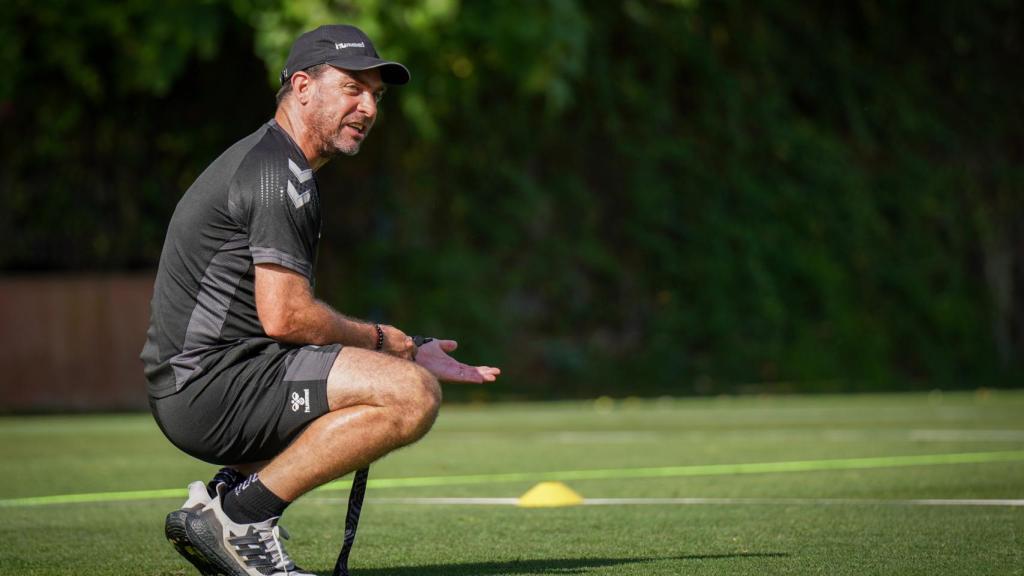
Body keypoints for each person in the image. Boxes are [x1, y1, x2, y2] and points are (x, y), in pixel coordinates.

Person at [140, 24, 500, 576]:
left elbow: (283, 321)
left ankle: (226, 495)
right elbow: (286, 316)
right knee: (410, 396)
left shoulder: (282, 166)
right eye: (352, 88)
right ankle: (239, 517)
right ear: (303, 86)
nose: (368, 107)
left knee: (392, 381)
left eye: (375, 95)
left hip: (212, 379)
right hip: (208, 388)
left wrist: (400, 347)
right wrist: (384, 344)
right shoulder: (274, 172)